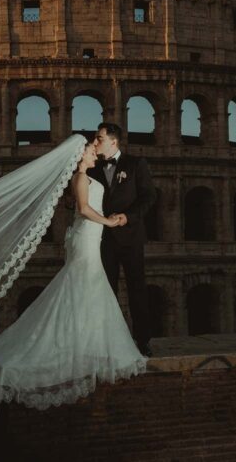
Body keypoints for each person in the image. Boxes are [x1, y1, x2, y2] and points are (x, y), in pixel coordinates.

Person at [0, 142, 148, 420]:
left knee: (86, 287)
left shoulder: (90, 176)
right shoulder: (80, 177)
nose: (93, 151)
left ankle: (87, 343)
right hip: (87, 235)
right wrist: (110, 223)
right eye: (89, 149)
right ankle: (81, 346)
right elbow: (85, 209)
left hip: (89, 237)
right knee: (85, 284)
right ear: (79, 157)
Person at [87, 123, 157, 357]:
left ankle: (143, 341)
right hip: (103, 238)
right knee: (106, 290)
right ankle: (109, 341)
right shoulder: (92, 168)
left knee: (137, 289)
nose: (96, 142)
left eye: (100, 138)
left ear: (113, 141)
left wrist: (129, 216)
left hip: (131, 236)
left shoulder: (136, 164)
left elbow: (149, 196)